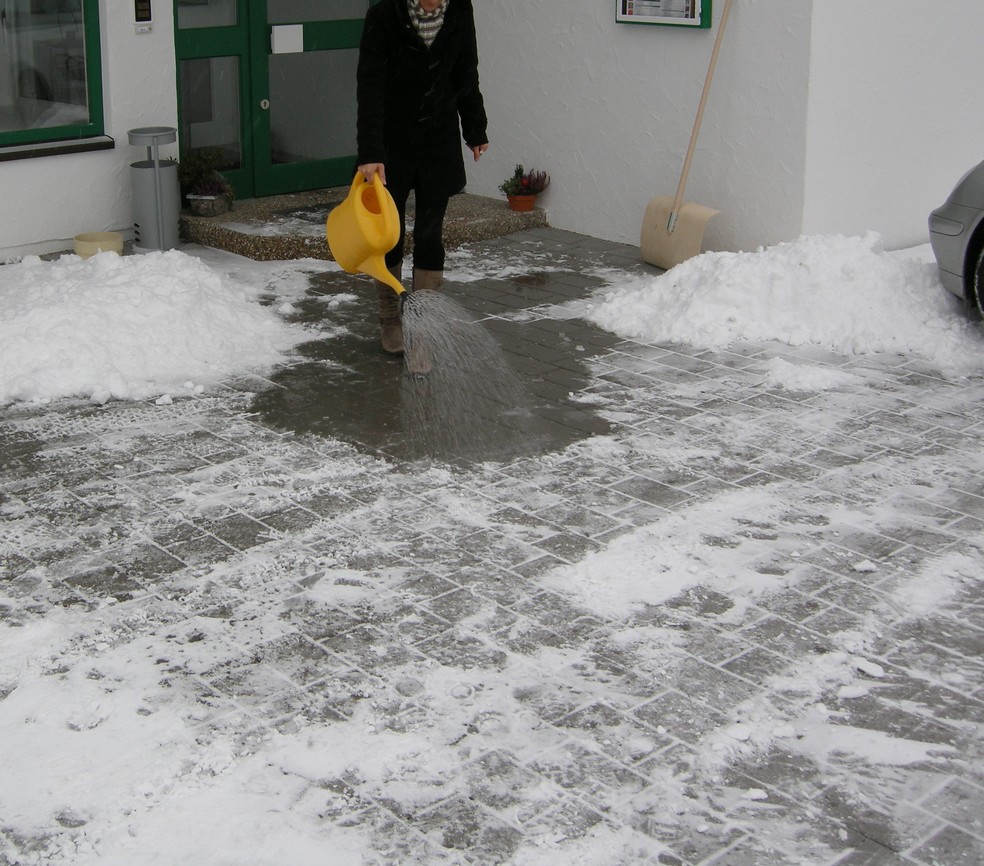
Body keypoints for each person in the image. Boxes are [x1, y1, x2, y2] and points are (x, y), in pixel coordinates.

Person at [356, 0, 489, 355]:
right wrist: (370, 151)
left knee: (430, 238)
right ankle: (390, 321)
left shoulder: (460, 10)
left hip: (438, 142)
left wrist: (475, 129)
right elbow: (370, 84)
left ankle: (423, 332)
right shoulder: (384, 14)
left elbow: (465, 72)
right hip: (392, 144)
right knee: (390, 236)